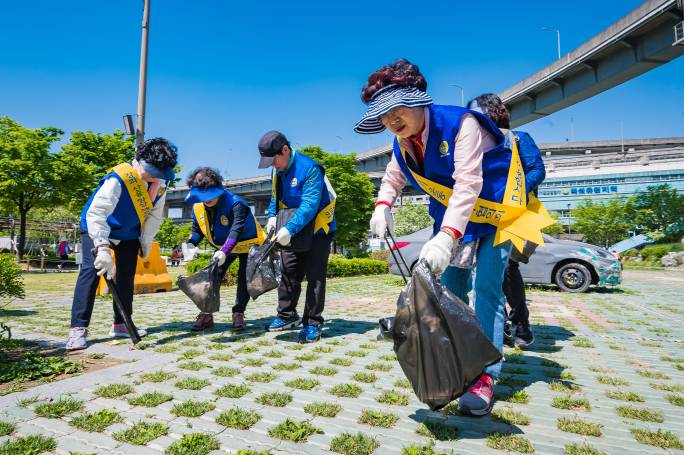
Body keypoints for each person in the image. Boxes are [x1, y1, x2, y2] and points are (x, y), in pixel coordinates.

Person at [358, 59, 531, 416]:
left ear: (419, 99)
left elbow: (468, 184)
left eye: (395, 111)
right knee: (449, 292)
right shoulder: (402, 141)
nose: (391, 122)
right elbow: (393, 177)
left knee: (487, 290)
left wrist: (447, 237)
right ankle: (456, 361)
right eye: (384, 117)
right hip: (450, 221)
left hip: (494, 215)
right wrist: (382, 205)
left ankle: (485, 375)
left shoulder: (462, 124)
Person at [66, 138, 178, 351]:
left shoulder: (160, 185)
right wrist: (101, 247)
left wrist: (145, 244)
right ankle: (78, 329)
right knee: (91, 272)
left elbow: (154, 217)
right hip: (97, 226)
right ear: (139, 160)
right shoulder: (119, 178)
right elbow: (97, 213)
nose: (155, 176)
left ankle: (122, 324)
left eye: (160, 173)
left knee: (125, 277)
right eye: (152, 170)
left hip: (128, 233)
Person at [468, 93, 546, 349]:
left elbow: (537, 170)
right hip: (483, 215)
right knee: (487, 272)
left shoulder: (519, 138)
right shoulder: (473, 142)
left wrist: (515, 195)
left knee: (508, 269)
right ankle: (496, 326)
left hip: (517, 215)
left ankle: (521, 324)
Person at [258, 130, 336, 343]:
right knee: (289, 272)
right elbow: (276, 196)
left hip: (318, 228)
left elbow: (310, 206)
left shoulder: (310, 169)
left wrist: (289, 229)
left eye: (274, 159)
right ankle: (286, 315)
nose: (273, 165)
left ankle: (312, 322)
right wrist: (272, 217)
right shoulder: (277, 171)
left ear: (285, 150)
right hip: (290, 226)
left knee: (315, 277)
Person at [183, 167, 265, 331]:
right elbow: (197, 229)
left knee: (244, 278)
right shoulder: (198, 206)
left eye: (209, 195)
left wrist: (224, 251)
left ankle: (238, 313)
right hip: (224, 247)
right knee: (212, 275)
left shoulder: (236, 203)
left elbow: (236, 230)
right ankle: (206, 313)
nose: (206, 200)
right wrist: (191, 243)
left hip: (247, 244)